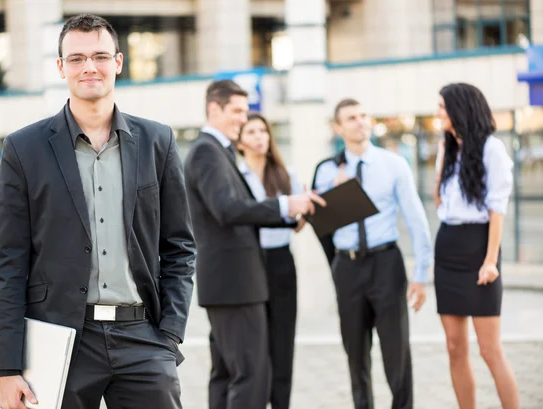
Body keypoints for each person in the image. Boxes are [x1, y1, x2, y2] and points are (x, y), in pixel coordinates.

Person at [0, 14, 195, 409]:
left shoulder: (158, 141)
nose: (89, 67)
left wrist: (169, 335)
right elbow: (5, 265)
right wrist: (6, 367)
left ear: (118, 62)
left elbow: (179, 246)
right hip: (58, 336)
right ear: (61, 67)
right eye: (77, 58)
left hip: (143, 337)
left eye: (99, 56)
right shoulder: (24, 148)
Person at [184, 80, 325, 409]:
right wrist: (284, 205)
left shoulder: (219, 151)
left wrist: (293, 211)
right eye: (236, 111)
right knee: (251, 375)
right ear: (213, 109)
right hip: (235, 285)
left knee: (226, 374)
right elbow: (228, 210)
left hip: (232, 283)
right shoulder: (207, 151)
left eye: (245, 112)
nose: (241, 119)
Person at [312, 98, 433, 409]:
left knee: (397, 352)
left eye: (364, 115)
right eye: (351, 118)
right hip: (348, 268)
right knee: (355, 353)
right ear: (338, 128)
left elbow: (416, 220)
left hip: (386, 264)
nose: (360, 122)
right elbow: (321, 227)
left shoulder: (393, 165)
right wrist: (338, 263)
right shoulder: (326, 171)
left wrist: (421, 275)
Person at [434, 83, 519, 409]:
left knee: (489, 349)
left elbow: (498, 208)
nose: (438, 113)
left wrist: (490, 260)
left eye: (443, 107)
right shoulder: (447, 148)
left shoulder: (492, 149)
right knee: (455, 347)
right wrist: (445, 155)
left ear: (461, 109)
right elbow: (439, 199)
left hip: (478, 247)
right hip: (448, 246)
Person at [237, 112, 304, 409]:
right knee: (253, 346)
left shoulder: (286, 175)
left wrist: (301, 213)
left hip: (280, 263)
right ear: (239, 141)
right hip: (248, 263)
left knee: (282, 343)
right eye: (251, 132)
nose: (259, 137)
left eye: (263, 131)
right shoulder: (236, 177)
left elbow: (299, 222)